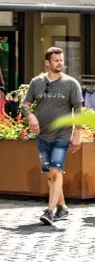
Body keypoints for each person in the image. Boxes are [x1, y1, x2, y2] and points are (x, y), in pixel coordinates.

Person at [21, 47, 83, 225]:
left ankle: (50, 211)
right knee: (50, 174)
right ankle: (62, 207)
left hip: (62, 135)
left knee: (56, 170)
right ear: (47, 63)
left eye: (61, 60)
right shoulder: (36, 82)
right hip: (42, 136)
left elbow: (78, 110)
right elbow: (25, 105)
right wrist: (31, 116)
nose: (60, 63)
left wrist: (77, 133)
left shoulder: (71, 84)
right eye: (56, 60)